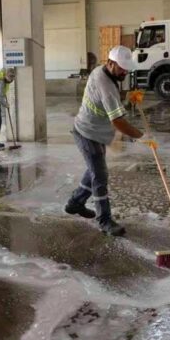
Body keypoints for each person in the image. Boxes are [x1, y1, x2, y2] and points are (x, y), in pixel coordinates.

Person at [64, 46, 153, 237]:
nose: (125, 71)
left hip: (96, 132)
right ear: (110, 63)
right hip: (87, 132)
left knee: (94, 171)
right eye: (122, 67)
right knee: (100, 175)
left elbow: (111, 103)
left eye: (127, 68)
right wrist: (141, 137)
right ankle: (104, 220)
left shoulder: (102, 72)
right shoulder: (106, 84)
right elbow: (118, 120)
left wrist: (130, 99)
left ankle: (75, 203)